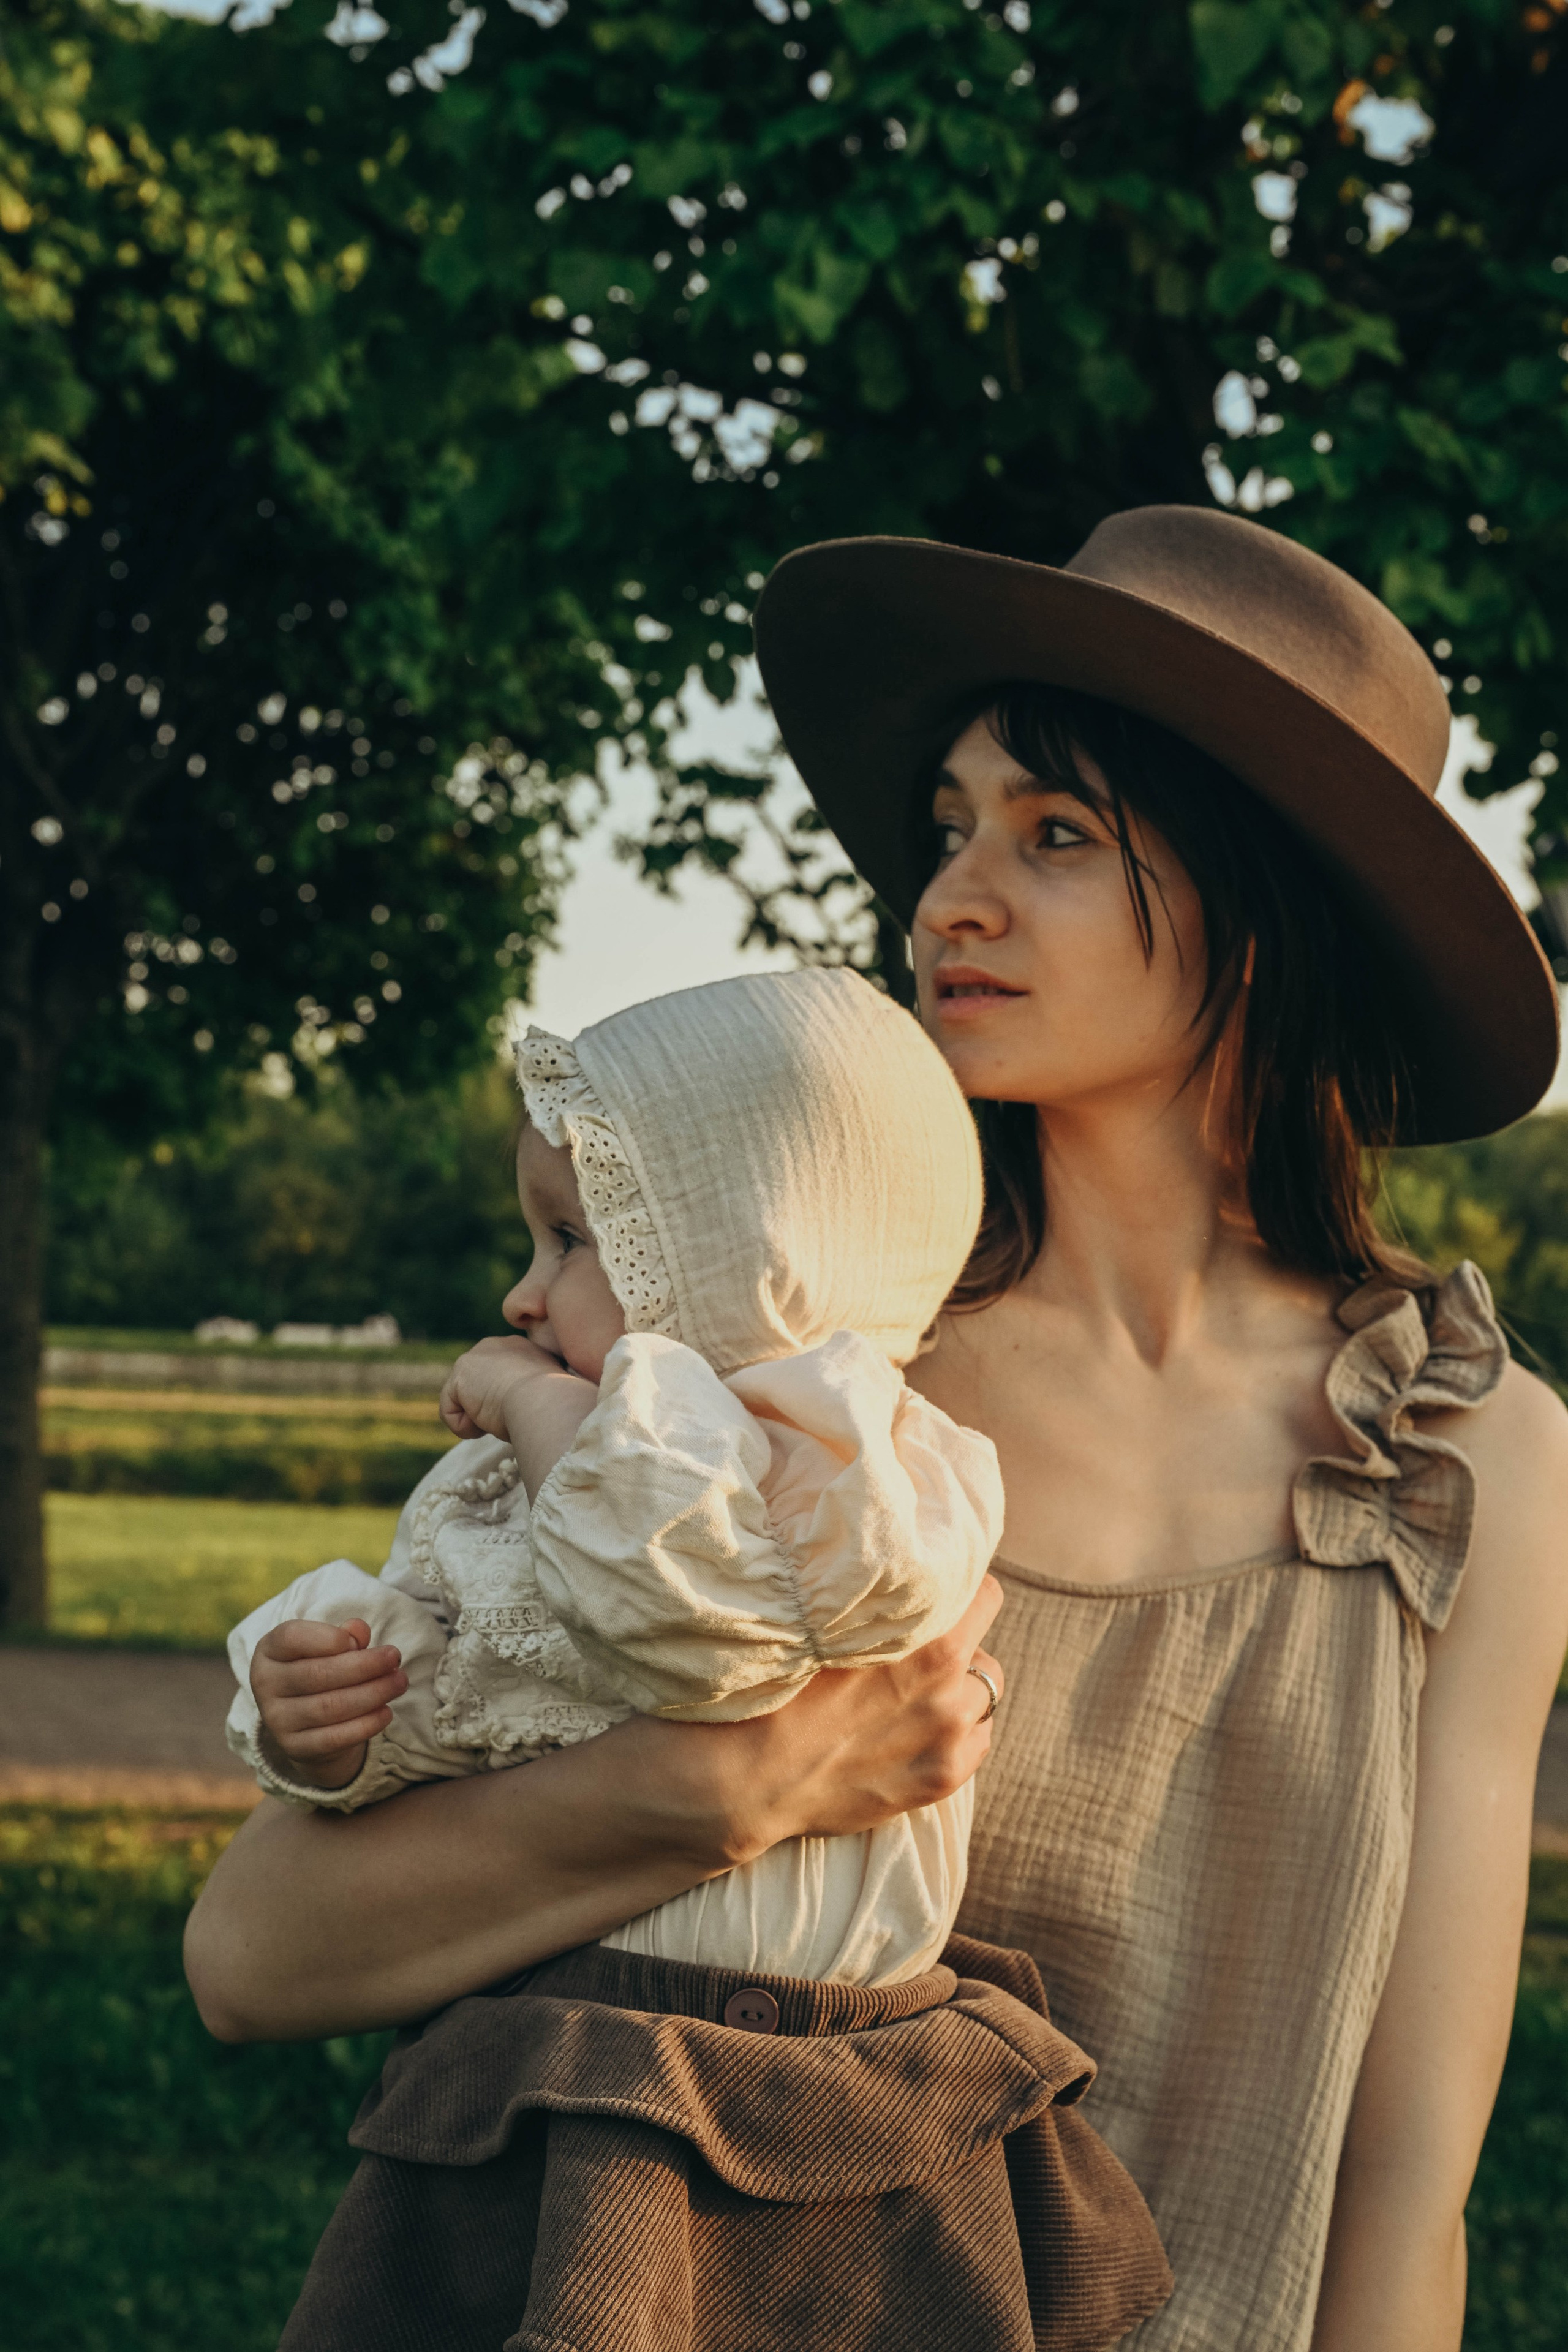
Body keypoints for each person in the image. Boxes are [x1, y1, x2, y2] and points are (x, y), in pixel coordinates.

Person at [186, 505, 1568, 2351]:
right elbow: (255, 1953)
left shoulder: (1474, 1465)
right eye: (948, 829)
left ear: (1266, 914)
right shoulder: (795, 1389)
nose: (948, 902)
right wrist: (721, 1792)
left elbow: (1404, 2185)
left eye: (1055, 835)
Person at [217, 966, 1173, 2352]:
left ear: (740, 1254)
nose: (520, 1291)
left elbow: (695, 1626)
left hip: (831, 2107)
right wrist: (324, 1714)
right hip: (563, 2078)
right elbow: (469, 1690)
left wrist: (545, 1409)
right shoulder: (532, 1483)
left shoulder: (858, 1457)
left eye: (569, 1243)